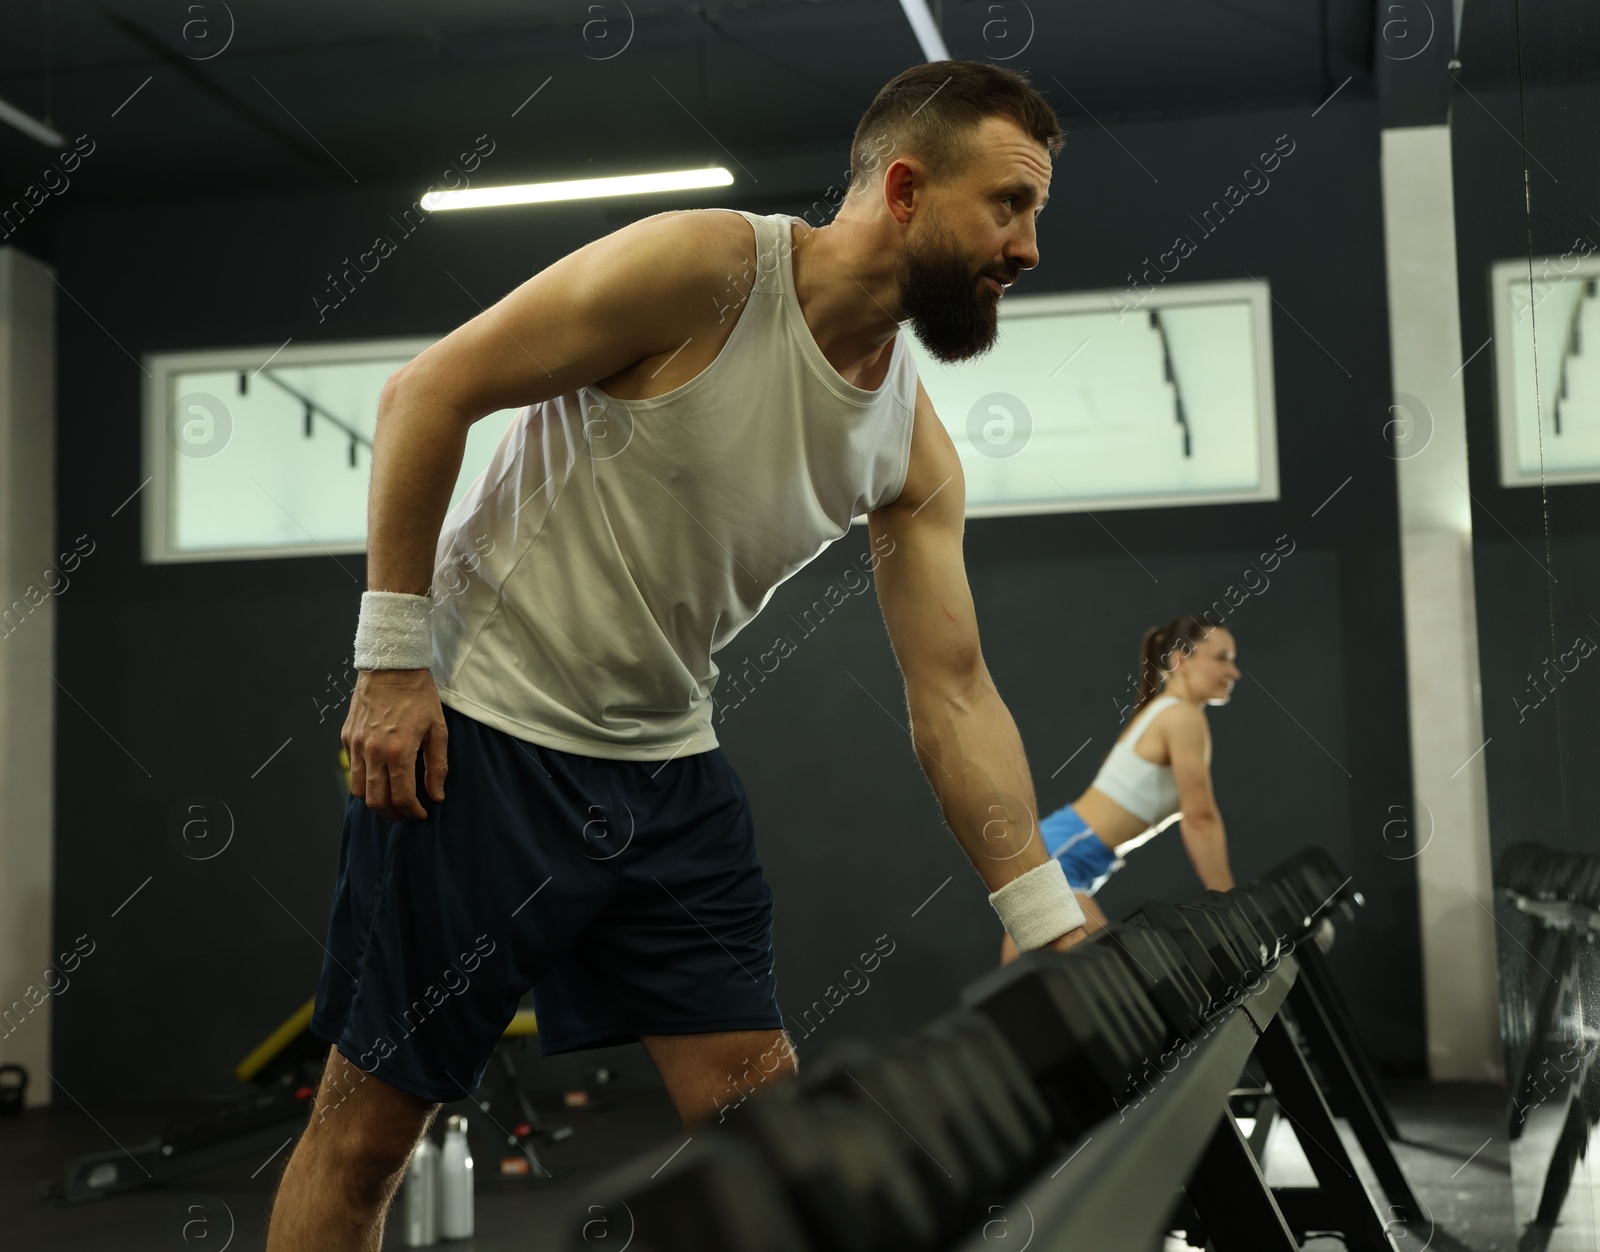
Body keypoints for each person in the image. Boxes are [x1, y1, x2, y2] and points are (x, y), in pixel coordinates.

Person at [267, 61, 1090, 1251]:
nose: (1026, 247)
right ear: (904, 188)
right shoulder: (709, 270)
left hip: (664, 772)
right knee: (365, 1135)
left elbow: (955, 694)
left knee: (769, 1119)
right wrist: (394, 663)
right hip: (480, 739)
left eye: (1034, 214)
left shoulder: (909, 446)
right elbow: (426, 393)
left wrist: (1045, 912)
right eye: (1008, 206)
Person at [999, 614, 1241, 965]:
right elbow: (1200, 819)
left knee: (1024, 1001)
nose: (1234, 672)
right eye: (1222, 658)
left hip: (1058, 858)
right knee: (1119, 982)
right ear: (1180, 659)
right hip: (1056, 860)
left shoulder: (1165, 712)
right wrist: (1231, 905)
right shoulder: (1182, 717)